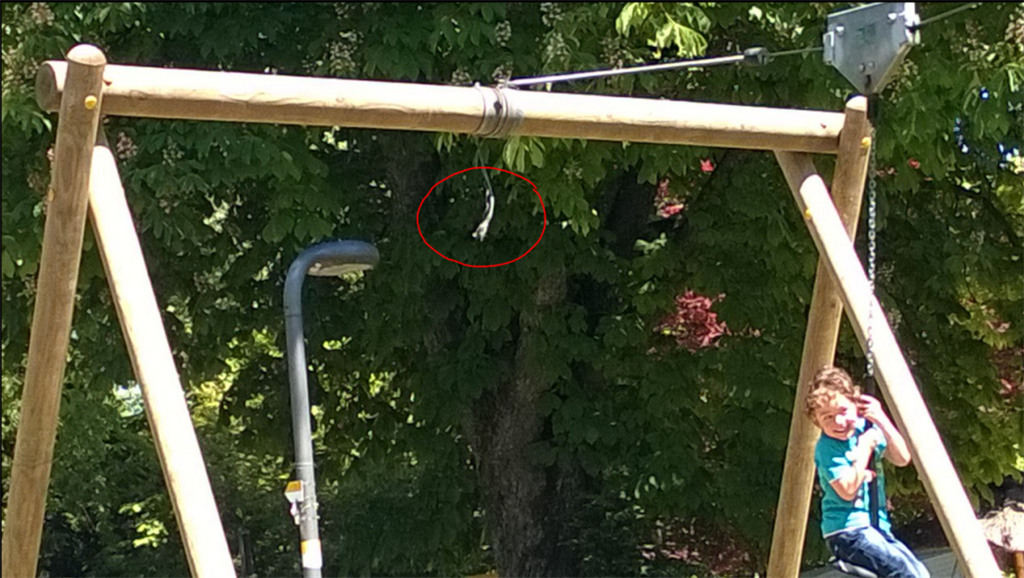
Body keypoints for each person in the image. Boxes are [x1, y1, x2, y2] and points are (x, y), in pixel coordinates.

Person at [805, 366, 929, 578]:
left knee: (920, 574)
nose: (839, 422)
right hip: (848, 532)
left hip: (876, 526)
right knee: (908, 576)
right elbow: (847, 490)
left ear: (856, 404)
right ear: (816, 420)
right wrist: (865, 448)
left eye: (843, 411)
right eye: (827, 417)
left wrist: (880, 418)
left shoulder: (865, 429)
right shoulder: (827, 448)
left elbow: (901, 458)